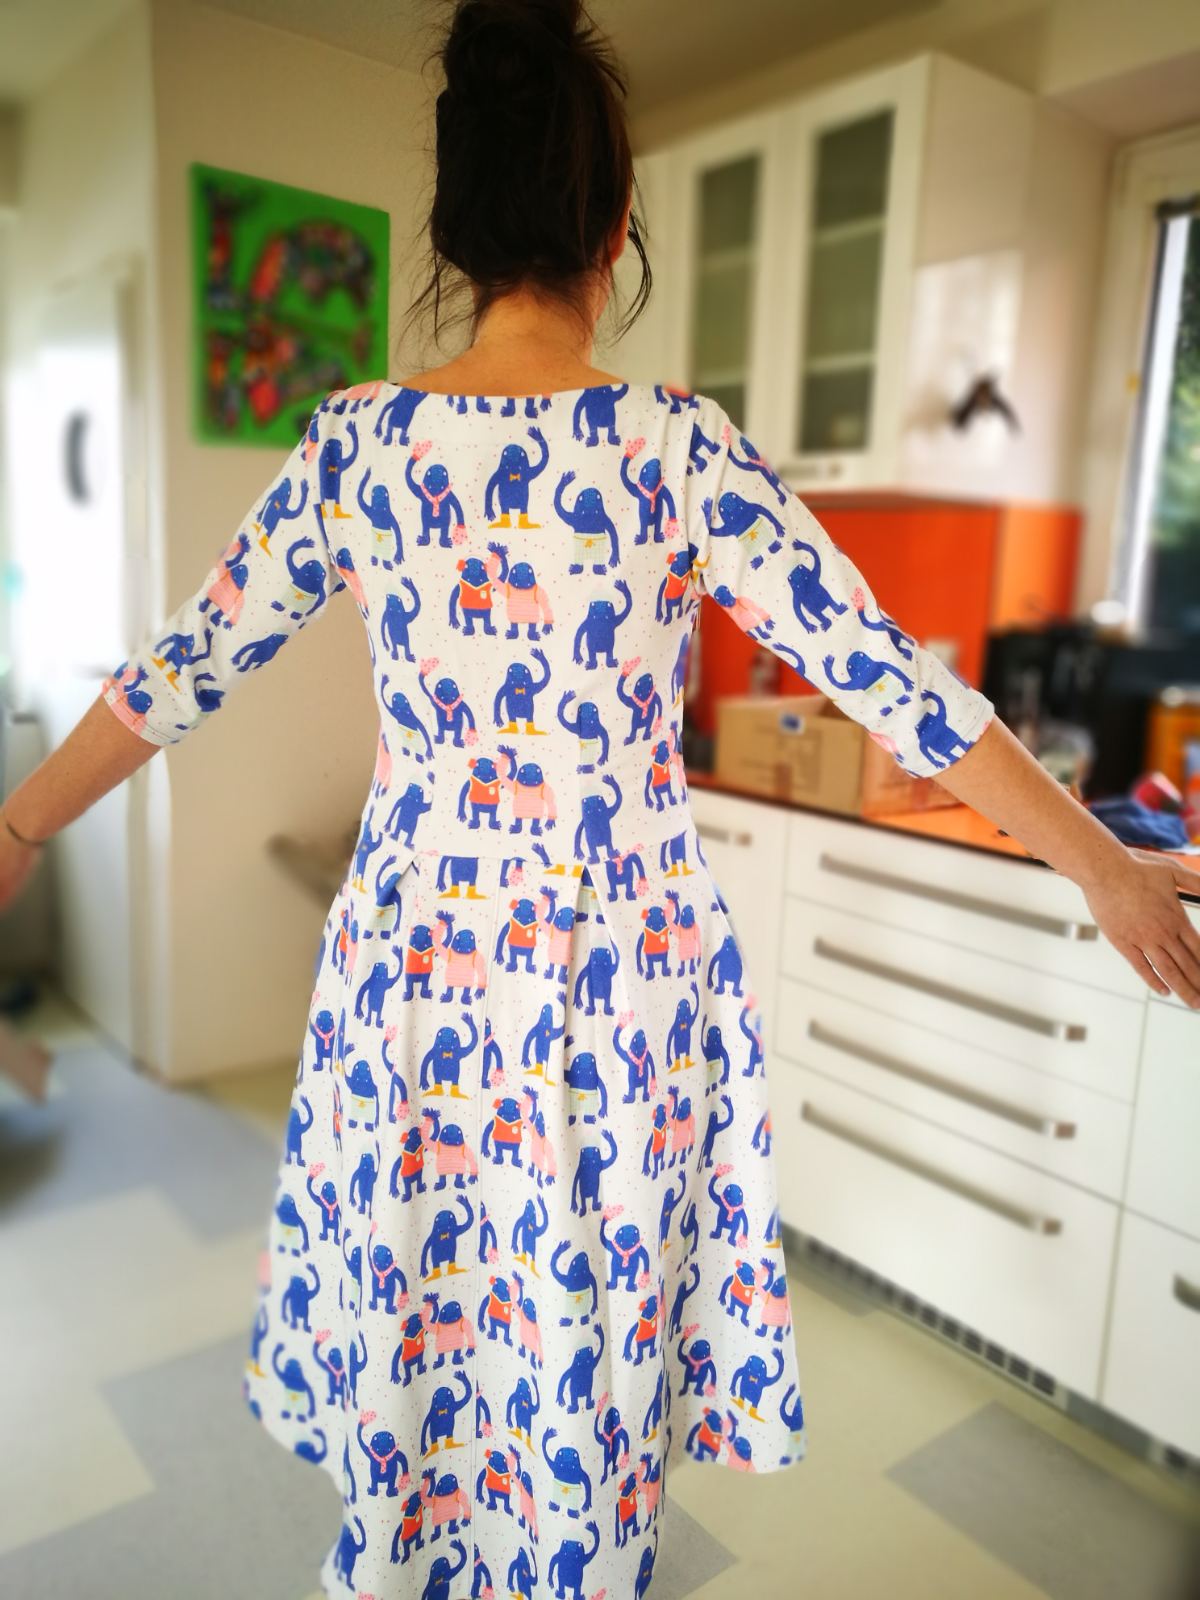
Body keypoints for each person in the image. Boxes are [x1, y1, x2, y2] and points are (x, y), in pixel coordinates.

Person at [3, 0, 1198, 1595]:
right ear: (615, 221)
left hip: (420, 970)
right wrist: (1100, 864)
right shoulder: (676, 450)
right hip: (619, 983)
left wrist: (18, 823)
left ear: (449, 227)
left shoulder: (358, 448)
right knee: (582, 1331)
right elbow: (892, 682)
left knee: (430, 1305)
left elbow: (175, 673)